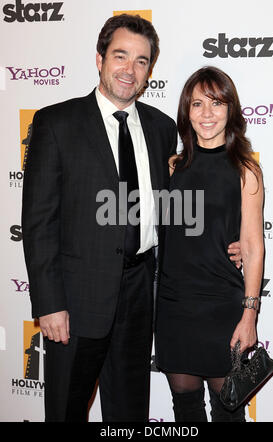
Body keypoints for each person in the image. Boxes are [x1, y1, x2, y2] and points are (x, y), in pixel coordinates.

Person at [22, 14, 241, 422]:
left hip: (141, 294)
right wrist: (50, 304)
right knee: (66, 410)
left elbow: (185, 205)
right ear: (101, 58)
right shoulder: (56, 123)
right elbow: (38, 224)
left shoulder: (162, 129)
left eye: (141, 61)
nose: (130, 69)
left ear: (149, 70)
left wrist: (237, 242)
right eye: (121, 55)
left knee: (129, 414)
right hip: (76, 301)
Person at [155, 66, 264, 422]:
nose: (207, 114)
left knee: (229, 410)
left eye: (217, 103)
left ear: (231, 110)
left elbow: (252, 244)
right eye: (198, 104)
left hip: (222, 308)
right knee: (185, 410)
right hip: (174, 306)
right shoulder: (171, 166)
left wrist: (250, 315)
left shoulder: (245, 169)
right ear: (186, 111)